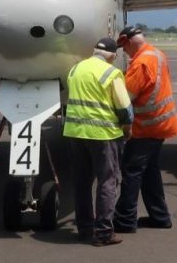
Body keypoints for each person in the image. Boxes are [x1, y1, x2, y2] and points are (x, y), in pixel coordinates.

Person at [64, 37, 134, 246]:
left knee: (82, 183)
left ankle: (85, 228)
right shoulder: (111, 72)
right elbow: (124, 107)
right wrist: (128, 127)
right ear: (112, 55)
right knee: (107, 181)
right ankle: (103, 232)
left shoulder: (75, 69)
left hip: (76, 132)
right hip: (103, 134)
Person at [113, 26, 177, 233]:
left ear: (130, 42)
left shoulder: (141, 62)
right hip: (161, 125)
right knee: (150, 173)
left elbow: (125, 98)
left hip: (145, 127)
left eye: (124, 48)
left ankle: (124, 221)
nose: (124, 52)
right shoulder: (157, 54)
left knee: (132, 172)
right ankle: (160, 217)